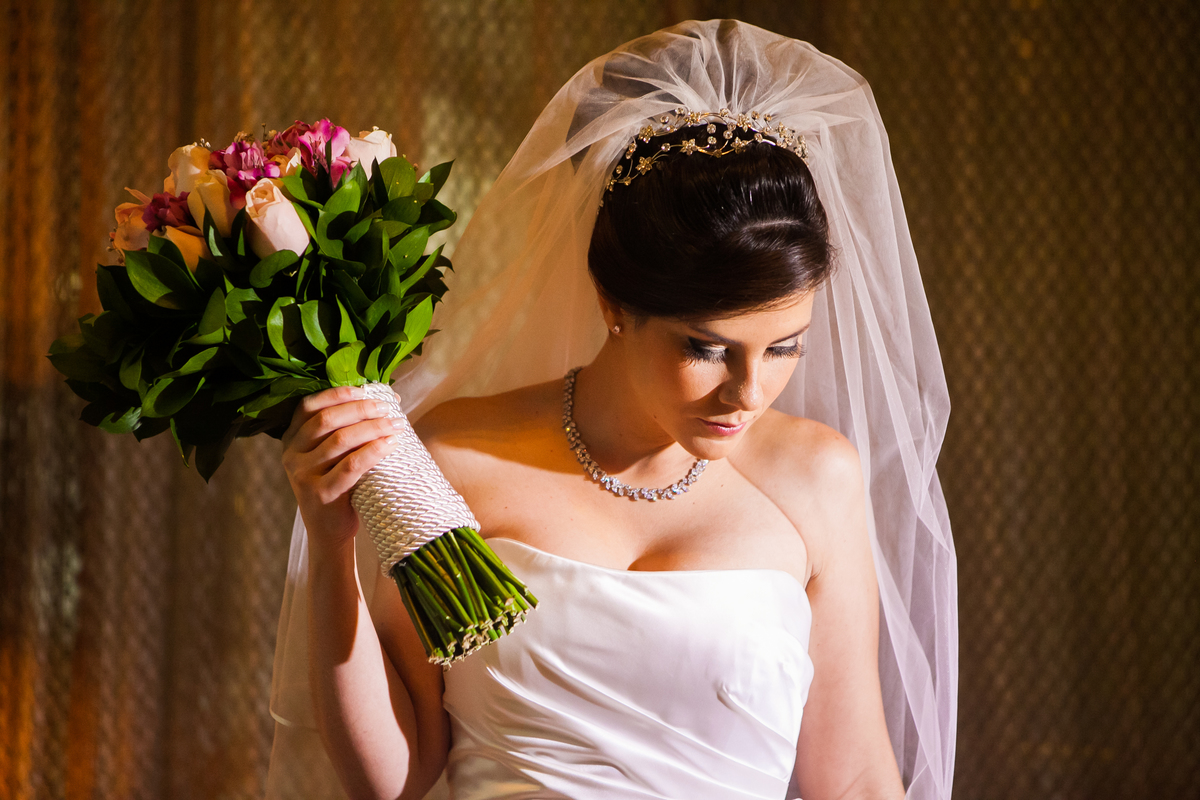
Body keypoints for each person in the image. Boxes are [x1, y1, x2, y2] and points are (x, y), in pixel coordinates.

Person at [266, 19, 956, 800]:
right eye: (707, 348)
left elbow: (856, 779)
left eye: (784, 347)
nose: (749, 393)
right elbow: (395, 777)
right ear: (612, 303)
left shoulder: (816, 478)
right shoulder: (456, 458)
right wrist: (331, 549)